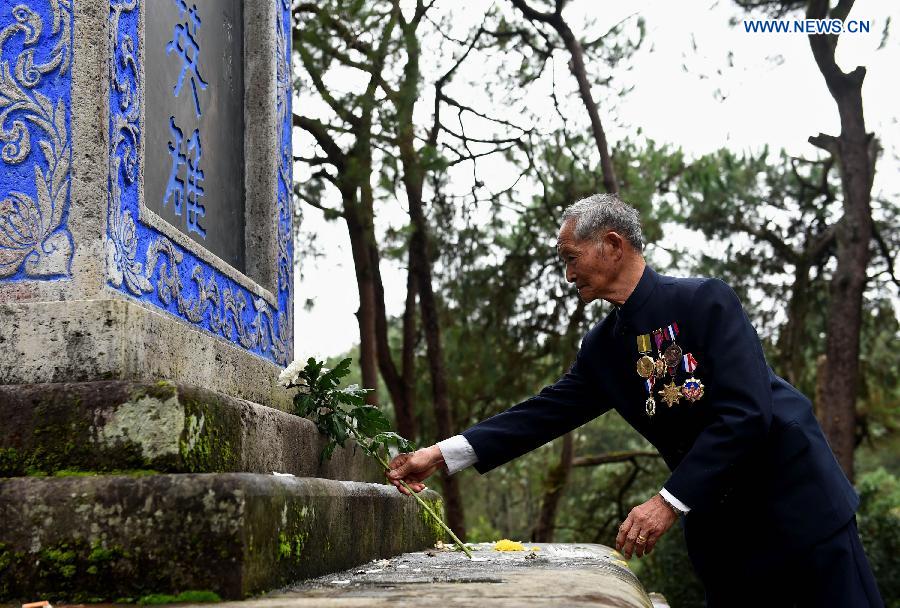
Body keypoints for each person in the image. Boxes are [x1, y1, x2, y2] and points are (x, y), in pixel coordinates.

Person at [386, 194, 884, 607]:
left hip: (800, 513)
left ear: (612, 244)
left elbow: (747, 414)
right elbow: (542, 414)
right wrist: (441, 455)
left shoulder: (705, 301)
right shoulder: (603, 348)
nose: (567, 274)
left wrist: (666, 503)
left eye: (570, 257)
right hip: (725, 537)